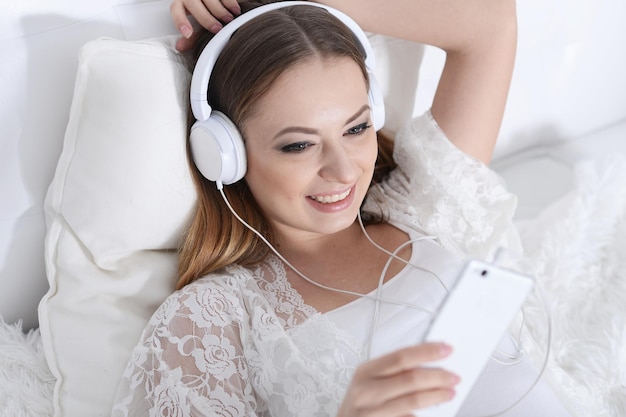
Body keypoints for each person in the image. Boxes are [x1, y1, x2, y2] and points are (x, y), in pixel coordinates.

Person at [112, 0, 573, 416]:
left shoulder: (425, 203)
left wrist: (285, 3)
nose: (342, 170)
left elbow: (489, 21)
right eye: (298, 145)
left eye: (355, 129)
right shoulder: (211, 319)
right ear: (224, 156)